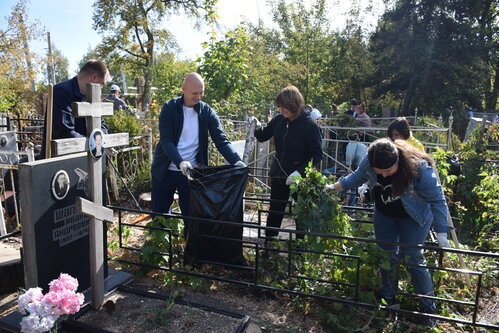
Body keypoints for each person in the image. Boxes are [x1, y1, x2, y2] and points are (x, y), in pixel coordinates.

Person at [330, 138, 451, 325]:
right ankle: (389, 299)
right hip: (385, 214)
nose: (384, 176)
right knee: (386, 254)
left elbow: (437, 199)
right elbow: (357, 176)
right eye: (379, 173)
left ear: (397, 161)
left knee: (412, 257)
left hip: (414, 216)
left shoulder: (417, 169)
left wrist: (442, 231)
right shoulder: (369, 162)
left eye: (388, 171)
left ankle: (428, 310)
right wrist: (335, 187)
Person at [151, 72, 246, 220]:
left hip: (192, 173)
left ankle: (189, 242)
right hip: (165, 170)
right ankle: (160, 242)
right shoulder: (170, 108)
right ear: (183, 89)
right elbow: (166, 141)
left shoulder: (206, 111)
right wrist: (180, 161)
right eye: (194, 93)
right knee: (160, 216)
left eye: (201, 92)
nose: (198, 97)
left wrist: (236, 161)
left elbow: (220, 140)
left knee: (192, 215)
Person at [250, 86, 323, 239]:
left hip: (300, 178)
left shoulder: (309, 126)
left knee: (301, 215)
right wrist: (256, 127)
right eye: (279, 106)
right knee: (275, 212)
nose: (281, 109)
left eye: (284, 106)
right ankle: (269, 246)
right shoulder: (279, 120)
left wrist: (299, 173)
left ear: (294, 104)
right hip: (279, 174)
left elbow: (316, 155)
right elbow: (263, 136)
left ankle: (299, 251)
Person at [41, 59, 110, 159]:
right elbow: (64, 132)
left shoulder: (91, 96)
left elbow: (102, 124)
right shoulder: (61, 92)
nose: (101, 89)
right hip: (61, 160)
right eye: (102, 84)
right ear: (94, 77)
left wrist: (100, 140)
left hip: (85, 156)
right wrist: (93, 145)